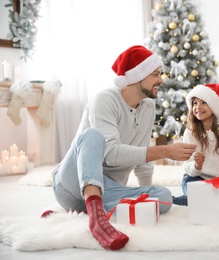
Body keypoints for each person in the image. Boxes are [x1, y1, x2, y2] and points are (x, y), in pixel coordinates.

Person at [43, 45, 196, 250]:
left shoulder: (148, 107)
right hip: (72, 183)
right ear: (137, 76)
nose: (161, 80)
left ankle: (86, 212)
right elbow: (112, 153)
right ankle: (97, 220)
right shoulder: (104, 100)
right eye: (155, 74)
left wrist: (146, 195)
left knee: (164, 196)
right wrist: (166, 151)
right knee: (91, 135)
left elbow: (143, 159)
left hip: (110, 190)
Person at [172, 84, 219, 206]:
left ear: (214, 106)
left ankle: (196, 199)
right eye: (195, 103)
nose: (198, 107)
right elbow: (187, 166)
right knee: (203, 198)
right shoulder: (190, 133)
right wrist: (197, 165)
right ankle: (173, 201)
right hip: (194, 179)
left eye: (204, 103)